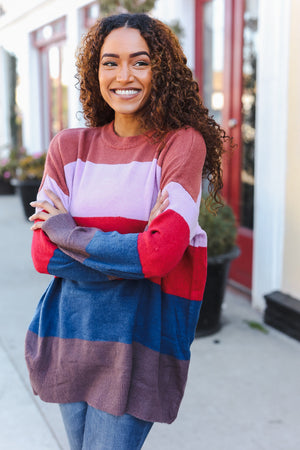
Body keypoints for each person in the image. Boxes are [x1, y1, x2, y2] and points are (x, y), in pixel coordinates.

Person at [25, 12, 226, 450]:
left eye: (140, 61)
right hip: (69, 331)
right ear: (95, 71)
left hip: (137, 342)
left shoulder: (180, 144)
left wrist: (67, 230)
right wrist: (133, 250)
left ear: (162, 70)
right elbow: (43, 256)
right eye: (110, 62)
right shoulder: (69, 147)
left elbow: (162, 255)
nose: (124, 75)